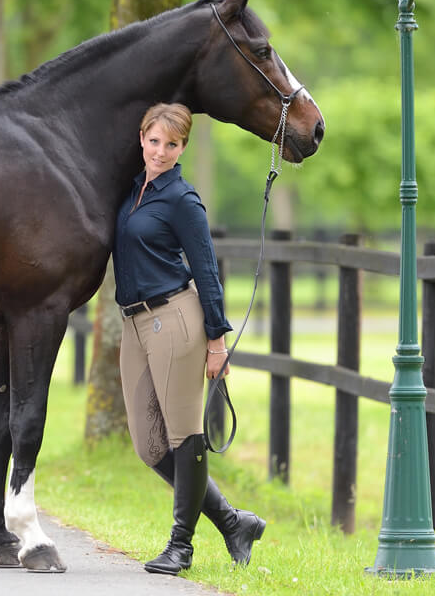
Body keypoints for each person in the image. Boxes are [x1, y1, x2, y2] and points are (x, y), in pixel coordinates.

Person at [113, 103, 266, 575]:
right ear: (142, 138)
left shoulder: (182, 198)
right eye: (154, 141)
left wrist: (218, 341)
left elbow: (206, 269)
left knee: (184, 435)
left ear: (183, 147)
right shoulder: (131, 188)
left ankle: (181, 545)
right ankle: (232, 521)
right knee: (148, 445)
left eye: (171, 144)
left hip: (177, 319)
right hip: (133, 323)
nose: (160, 151)